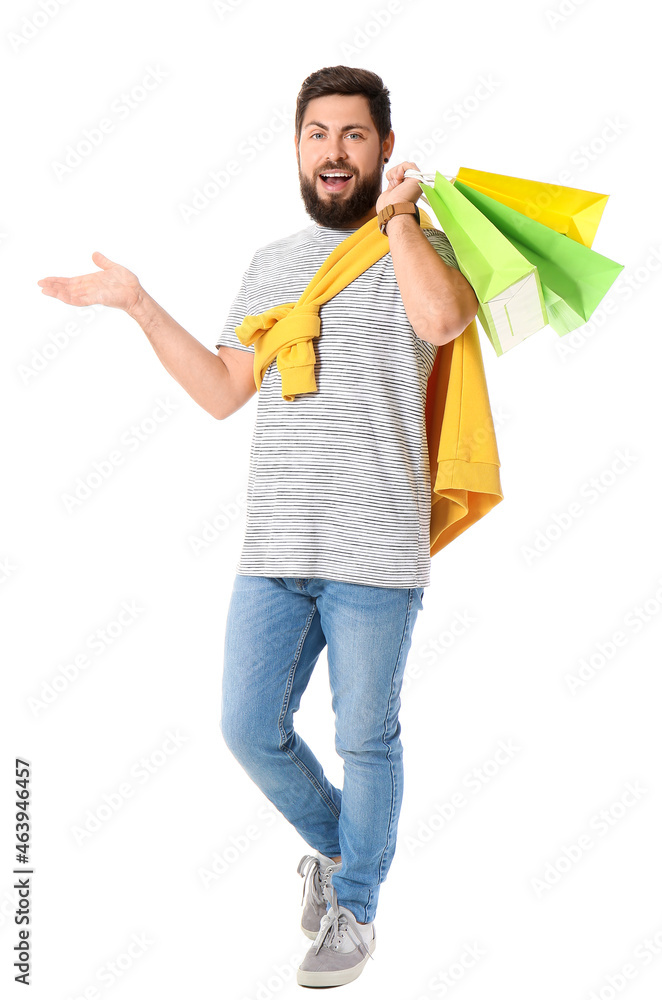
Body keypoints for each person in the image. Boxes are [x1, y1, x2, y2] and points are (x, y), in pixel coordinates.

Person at [37, 64, 478, 989]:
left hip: (373, 549)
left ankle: (356, 909)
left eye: (354, 135)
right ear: (297, 148)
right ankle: (349, 859)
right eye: (318, 134)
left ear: (386, 147)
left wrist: (398, 219)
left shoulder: (427, 243)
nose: (334, 151)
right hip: (276, 546)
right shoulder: (272, 263)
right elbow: (222, 391)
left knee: (366, 740)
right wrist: (139, 306)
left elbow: (440, 324)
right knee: (248, 728)